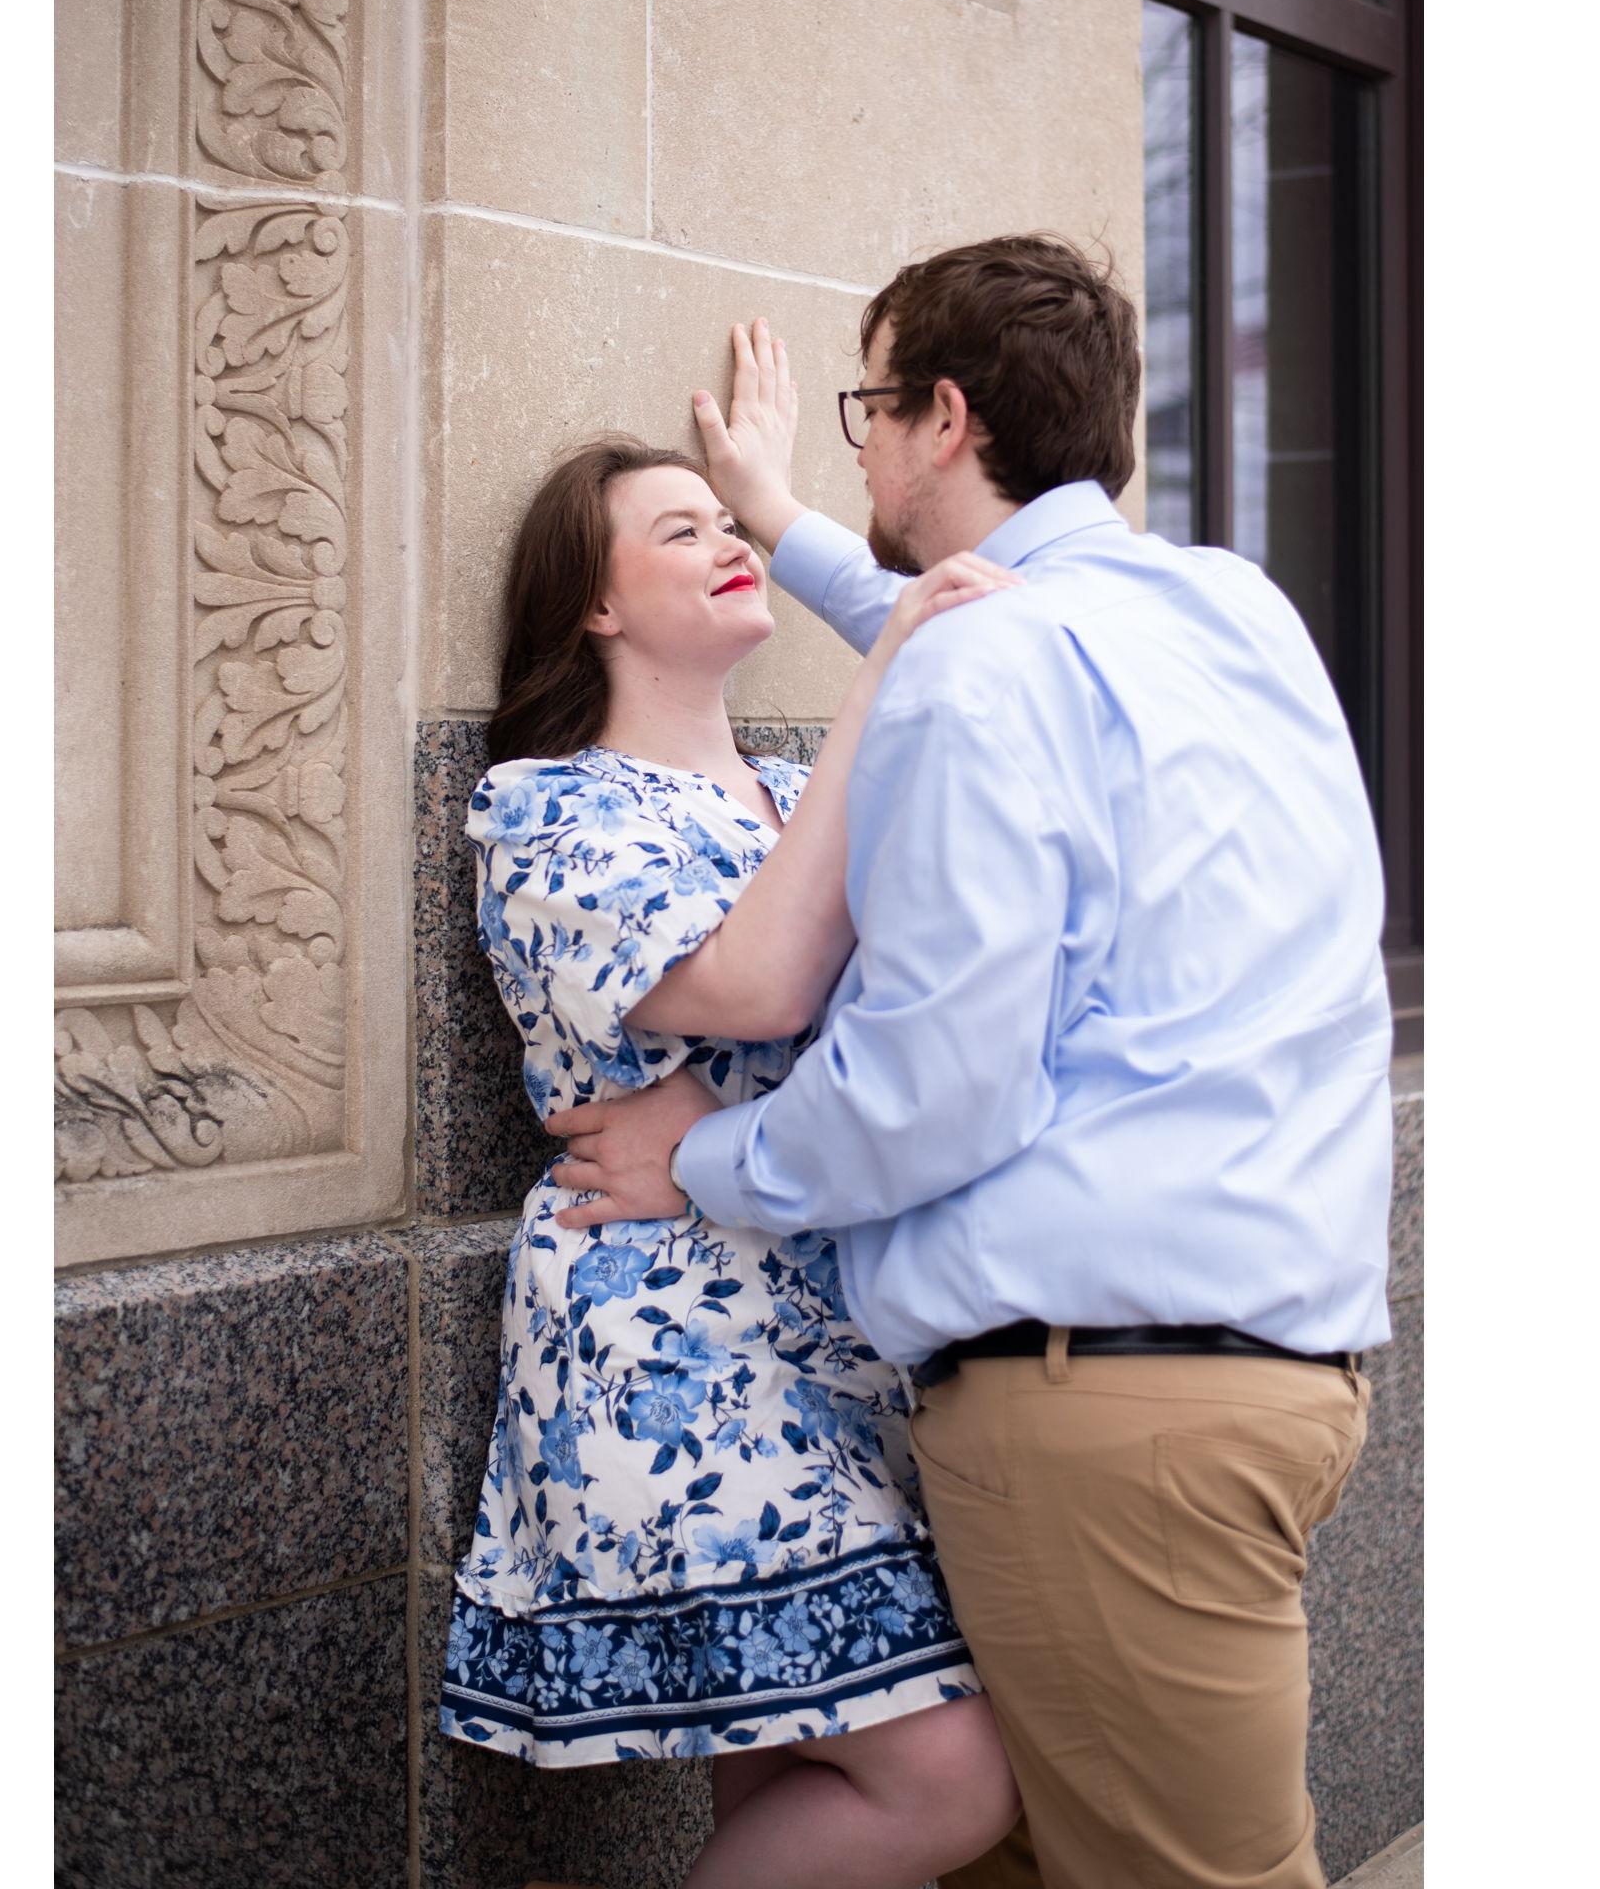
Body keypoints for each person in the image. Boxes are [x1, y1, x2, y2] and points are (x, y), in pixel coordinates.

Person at [549, 242, 1395, 1889]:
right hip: (1275, 1374)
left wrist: (695, 1159)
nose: (860, 444)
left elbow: (934, 1085)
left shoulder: (988, 668)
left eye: (871, 407)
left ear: (943, 419)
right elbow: (986, 640)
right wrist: (785, 522)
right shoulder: (1234, 612)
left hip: (1106, 1414)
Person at [437, 411, 1026, 1889]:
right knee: (948, 1779)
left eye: (730, 522)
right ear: (594, 601)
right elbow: (757, 988)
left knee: (795, 1767)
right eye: (680, 530)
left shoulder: (790, 789)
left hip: (837, 1326)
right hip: (674, 1345)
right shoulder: (549, 805)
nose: (729, 546)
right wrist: (881, 675)